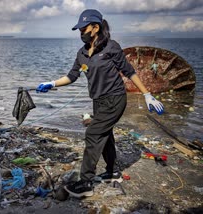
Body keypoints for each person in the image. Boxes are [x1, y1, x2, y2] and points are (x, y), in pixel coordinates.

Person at [36, 9, 164, 198]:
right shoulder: (82, 53)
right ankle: (112, 172)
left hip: (115, 99)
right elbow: (72, 76)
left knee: (93, 133)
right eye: (79, 30)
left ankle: (86, 182)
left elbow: (129, 72)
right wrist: (52, 83)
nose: (81, 33)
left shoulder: (111, 47)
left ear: (95, 27)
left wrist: (147, 94)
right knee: (105, 135)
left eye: (83, 29)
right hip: (98, 101)